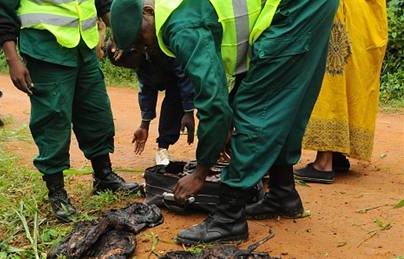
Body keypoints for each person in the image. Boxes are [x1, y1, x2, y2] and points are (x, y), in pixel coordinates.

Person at [110, 0, 338, 244]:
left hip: (295, 7)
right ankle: (283, 193)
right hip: (303, 7)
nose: (147, 45)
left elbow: (214, 105)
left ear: (148, 10)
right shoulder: (175, 9)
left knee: (255, 108)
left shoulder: (181, 26)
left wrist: (200, 172)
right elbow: (236, 85)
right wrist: (227, 116)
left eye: (142, 36)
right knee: (274, 98)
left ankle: (228, 218)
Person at [0, 0, 140, 222]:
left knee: (96, 113)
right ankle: (56, 191)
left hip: (84, 49)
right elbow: (2, 8)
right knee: (52, 121)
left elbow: (102, 2)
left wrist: (118, 32)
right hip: (45, 50)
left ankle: (103, 176)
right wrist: (12, 59)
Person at [294, 0, 388, 183]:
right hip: (367, 14)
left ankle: (324, 162)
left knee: (331, 81)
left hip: (343, 12)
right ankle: (337, 152)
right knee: (352, 78)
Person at [107, 41, 195, 165]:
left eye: (126, 64)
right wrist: (144, 125)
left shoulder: (165, 44)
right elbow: (147, 90)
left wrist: (188, 111)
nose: (128, 68)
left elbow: (185, 76)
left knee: (177, 97)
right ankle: (162, 149)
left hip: (191, 69)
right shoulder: (140, 62)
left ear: (134, 51)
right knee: (157, 88)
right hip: (162, 70)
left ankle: (215, 147)